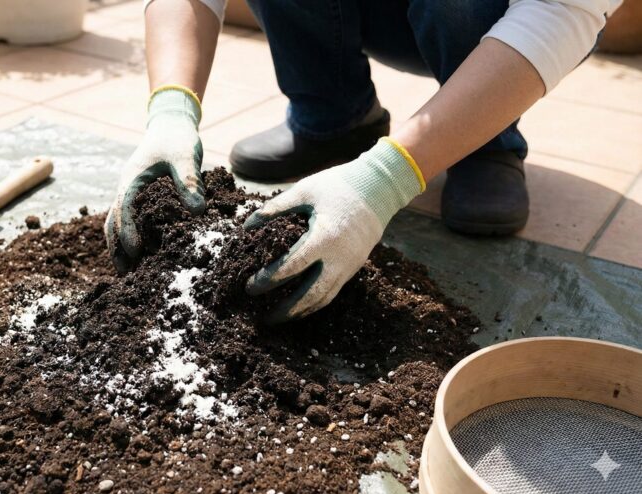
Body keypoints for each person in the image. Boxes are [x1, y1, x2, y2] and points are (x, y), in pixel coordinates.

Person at [105, 0, 620, 323]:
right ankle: (332, 120)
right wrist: (170, 111)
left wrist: (386, 179)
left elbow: (561, 10)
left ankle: (484, 143)